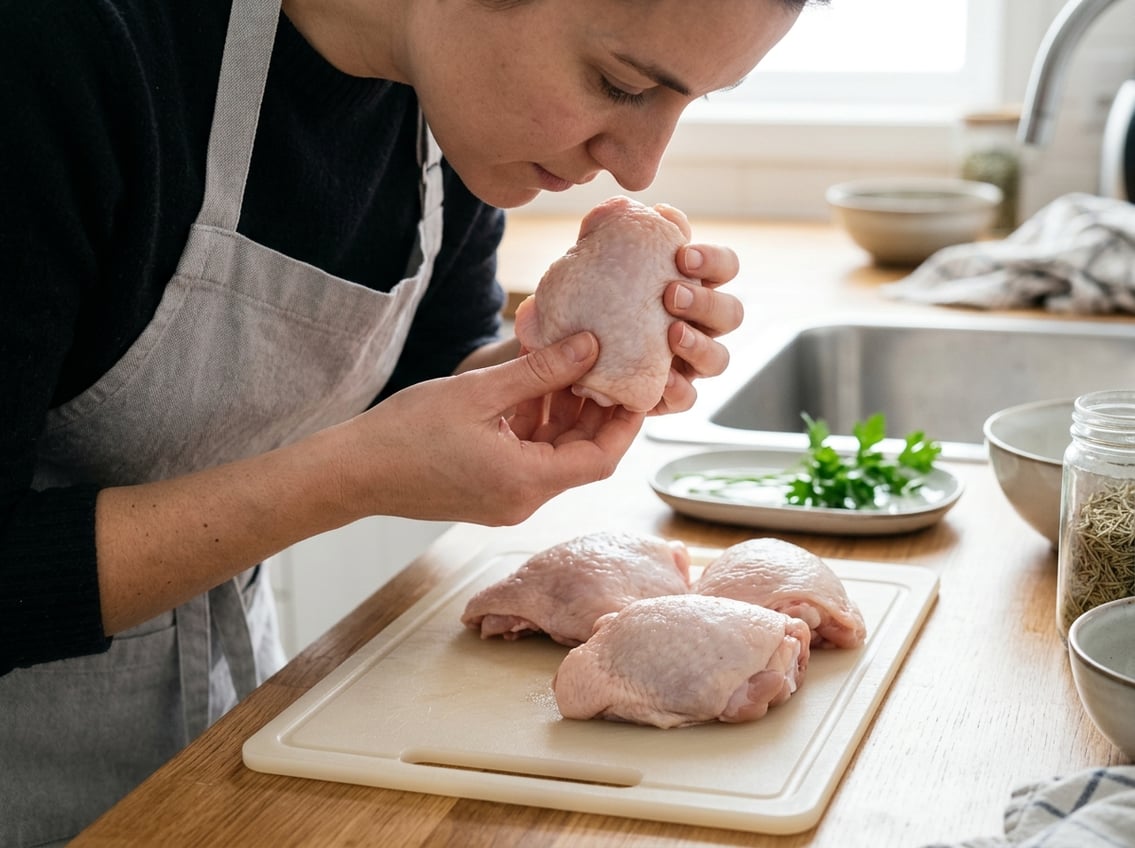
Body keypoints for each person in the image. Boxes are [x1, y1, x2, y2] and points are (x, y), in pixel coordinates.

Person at [0, 0, 808, 842]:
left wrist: (533, 384)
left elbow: (419, 371)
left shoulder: (441, 112)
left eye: (691, 101)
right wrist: (354, 476)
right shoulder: (56, 49)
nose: (640, 167)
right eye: (619, 82)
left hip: (219, 744)